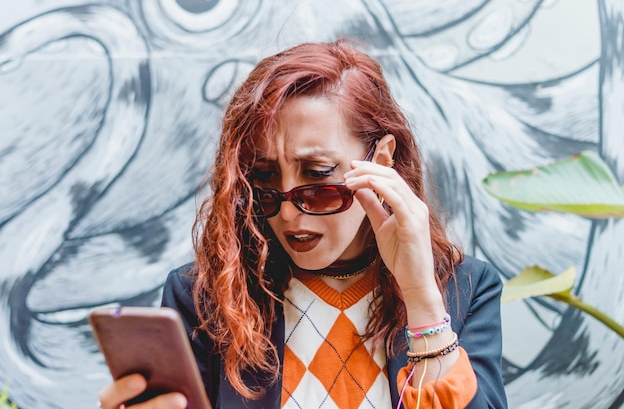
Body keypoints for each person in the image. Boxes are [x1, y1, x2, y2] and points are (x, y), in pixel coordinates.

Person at [98, 39, 507, 408]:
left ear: (380, 161)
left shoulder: (464, 290)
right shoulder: (207, 300)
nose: (289, 214)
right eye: (264, 182)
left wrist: (420, 296)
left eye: (317, 176)